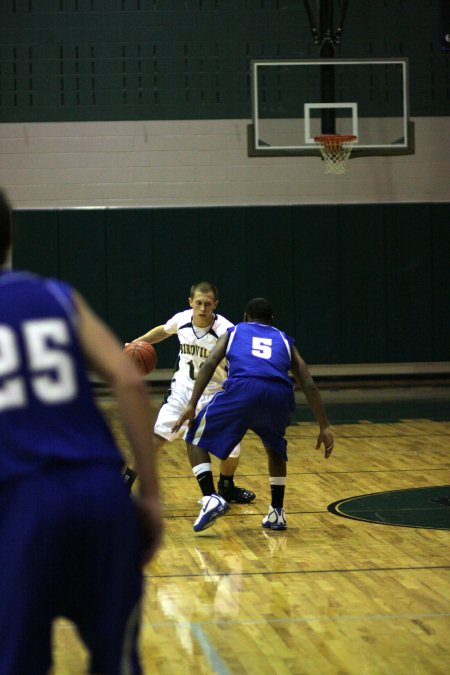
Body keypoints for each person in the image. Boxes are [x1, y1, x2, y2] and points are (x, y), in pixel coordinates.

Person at [0, 189, 162, 675]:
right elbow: (130, 382)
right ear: (9, 236)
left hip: (21, 505)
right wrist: (150, 496)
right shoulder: (55, 295)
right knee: (117, 662)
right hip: (101, 496)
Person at [172, 297, 334, 533]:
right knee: (275, 449)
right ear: (272, 320)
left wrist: (191, 403)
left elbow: (209, 365)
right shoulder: (284, 338)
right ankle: (277, 512)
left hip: (243, 388)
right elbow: (308, 382)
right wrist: (324, 425)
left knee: (194, 436)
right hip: (279, 393)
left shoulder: (235, 331)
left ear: (246, 317)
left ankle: (210, 498)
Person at [123, 281, 255, 504]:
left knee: (232, 448)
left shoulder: (226, 330)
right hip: (182, 391)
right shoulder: (182, 319)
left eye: (208, 304)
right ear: (190, 303)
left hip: (215, 394)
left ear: (216, 305)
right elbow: (163, 331)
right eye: (199, 303)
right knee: (155, 439)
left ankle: (226, 486)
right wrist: (137, 342)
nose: (203, 309)